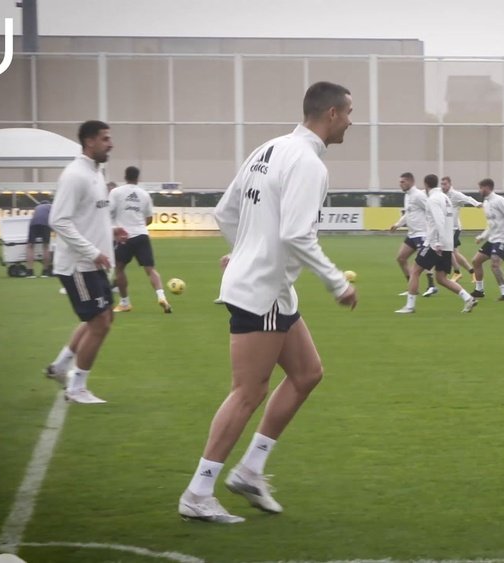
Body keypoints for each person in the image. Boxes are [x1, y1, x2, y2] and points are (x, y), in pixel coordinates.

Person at [178, 81, 358, 524]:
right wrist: (337, 282)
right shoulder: (309, 164)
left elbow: (225, 212)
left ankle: (251, 470)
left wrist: (243, 250)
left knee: (307, 373)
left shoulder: (270, 148)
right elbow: (297, 235)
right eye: (349, 112)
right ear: (331, 114)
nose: (352, 121)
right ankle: (198, 492)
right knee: (248, 392)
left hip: (265, 285)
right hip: (264, 290)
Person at [42, 120, 128, 404]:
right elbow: (59, 220)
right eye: (105, 139)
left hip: (95, 263)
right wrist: (92, 251)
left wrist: (110, 231)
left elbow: (90, 216)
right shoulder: (75, 175)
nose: (111, 144)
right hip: (80, 264)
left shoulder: (96, 173)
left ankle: (61, 366)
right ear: (89, 141)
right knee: (100, 322)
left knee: (102, 318)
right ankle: (77, 387)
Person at [396, 174, 478, 314]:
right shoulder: (445, 198)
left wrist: (437, 242)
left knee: (415, 271)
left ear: (426, 185)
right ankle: (468, 298)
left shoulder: (433, 199)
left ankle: (410, 306)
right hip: (447, 243)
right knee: (441, 278)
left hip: (435, 244)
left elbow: (439, 221)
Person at [110, 166, 172, 314]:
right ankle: (162, 296)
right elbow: (150, 218)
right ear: (138, 178)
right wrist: (139, 226)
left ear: (125, 177)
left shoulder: (116, 192)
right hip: (142, 235)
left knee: (119, 269)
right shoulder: (144, 194)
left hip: (124, 236)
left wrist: (113, 228)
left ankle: (125, 302)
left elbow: (108, 211)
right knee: (150, 269)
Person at [389, 172, 437, 297]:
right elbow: (408, 213)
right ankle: (412, 287)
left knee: (424, 261)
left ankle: (432, 286)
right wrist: (398, 224)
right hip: (412, 234)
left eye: (403, 182)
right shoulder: (408, 196)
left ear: (410, 182)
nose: (400, 184)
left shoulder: (418, 195)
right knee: (401, 258)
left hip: (422, 234)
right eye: (400, 182)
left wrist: (432, 229)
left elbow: (431, 209)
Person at [440, 176, 482, 282]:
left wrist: (476, 204)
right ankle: (472, 273)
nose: (443, 186)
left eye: (445, 184)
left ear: (450, 184)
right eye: (442, 184)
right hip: (447, 229)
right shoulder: (440, 193)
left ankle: (457, 272)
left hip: (454, 228)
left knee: (448, 251)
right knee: (455, 253)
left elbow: (467, 198)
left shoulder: (455, 195)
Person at [25, 199, 53, 278]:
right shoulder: (52, 207)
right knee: (45, 247)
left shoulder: (37, 207)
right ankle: (45, 271)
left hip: (33, 224)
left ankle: (29, 271)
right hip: (45, 224)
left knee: (30, 247)